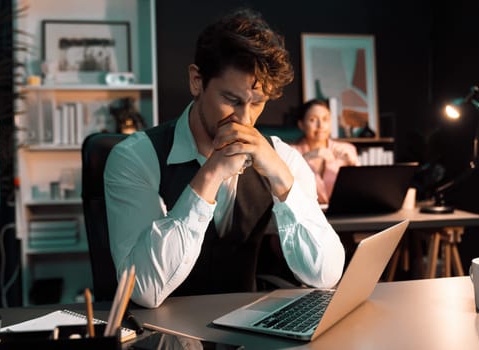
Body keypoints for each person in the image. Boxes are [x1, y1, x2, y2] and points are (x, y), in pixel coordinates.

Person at [104, 8, 345, 309]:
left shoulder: (283, 158)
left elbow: (326, 275)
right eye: (231, 100)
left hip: (247, 330)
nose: (244, 119)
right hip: (162, 335)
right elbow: (143, 289)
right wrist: (210, 174)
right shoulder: (135, 157)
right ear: (196, 81)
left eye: (257, 103)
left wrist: (282, 181)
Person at [291, 98, 360, 205]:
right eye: (313, 120)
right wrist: (307, 157)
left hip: (342, 211)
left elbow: (359, 187)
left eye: (325, 119)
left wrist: (354, 164)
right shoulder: (291, 152)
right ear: (301, 125)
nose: (320, 125)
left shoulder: (347, 149)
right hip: (306, 214)